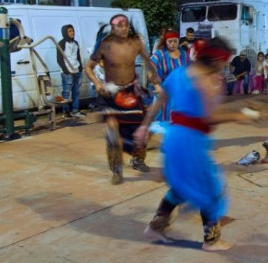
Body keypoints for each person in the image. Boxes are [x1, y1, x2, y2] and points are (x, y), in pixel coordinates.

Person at [134, 37, 259, 251]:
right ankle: (212, 241)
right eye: (224, 61)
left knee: (181, 187)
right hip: (191, 142)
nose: (225, 65)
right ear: (217, 61)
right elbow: (209, 117)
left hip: (174, 139)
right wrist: (241, 115)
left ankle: (156, 227)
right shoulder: (207, 81)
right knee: (210, 188)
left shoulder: (179, 73)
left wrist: (144, 126)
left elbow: (159, 100)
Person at [84, 14, 161, 184]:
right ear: (113, 28)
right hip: (110, 93)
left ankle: (138, 159)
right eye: (119, 25)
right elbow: (88, 68)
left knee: (142, 132)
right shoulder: (104, 45)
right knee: (112, 132)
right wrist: (97, 84)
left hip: (131, 92)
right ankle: (116, 168)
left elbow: (149, 63)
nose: (123, 28)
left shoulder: (136, 43)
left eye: (125, 25)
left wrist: (155, 83)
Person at [150, 29, 190, 120]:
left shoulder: (184, 54)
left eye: (175, 41)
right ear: (166, 42)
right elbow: (151, 70)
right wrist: (157, 86)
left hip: (181, 93)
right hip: (164, 93)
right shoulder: (159, 55)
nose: (173, 44)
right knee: (164, 119)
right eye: (170, 41)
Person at [56, 24, 84, 118]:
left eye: (73, 31)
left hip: (77, 70)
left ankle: (75, 110)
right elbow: (59, 59)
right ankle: (66, 111)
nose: (72, 33)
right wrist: (66, 70)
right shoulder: (62, 43)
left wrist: (80, 67)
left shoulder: (75, 43)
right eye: (70, 31)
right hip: (67, 71)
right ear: (65, 32)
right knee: (66, 92)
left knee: (76, 92)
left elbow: (78, 56)